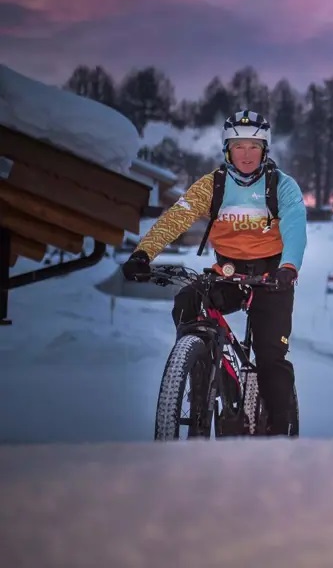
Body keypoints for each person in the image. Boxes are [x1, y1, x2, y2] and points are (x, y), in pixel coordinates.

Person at [120, 110, 308, 436]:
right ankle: (198, 373)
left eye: (253, 146)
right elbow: (176, 218)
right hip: (226, 274)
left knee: (270, 359)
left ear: (264, 150)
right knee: (187, 301)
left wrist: (288, 267)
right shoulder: (213, 184)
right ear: (227, 150)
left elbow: (295, 228)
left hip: (272, 279)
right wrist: (144, 253)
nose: (246, 154)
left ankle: (281, 436)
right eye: (238, 146)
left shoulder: (282, 186)